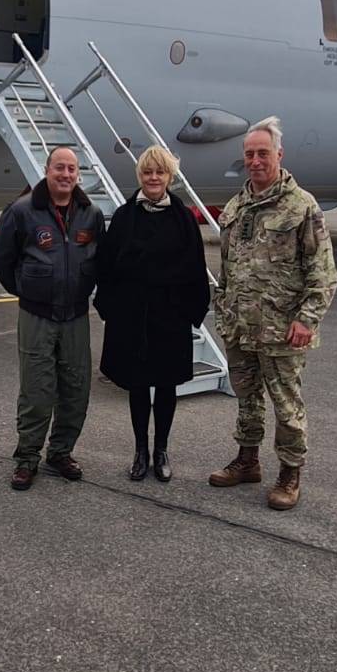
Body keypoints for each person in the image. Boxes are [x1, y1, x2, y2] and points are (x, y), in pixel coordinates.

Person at [210, 117, 337, 511]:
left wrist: (308, 318)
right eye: (249, 154)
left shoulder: (302, 206)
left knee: (286, 402)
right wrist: (224, 311)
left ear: (279, 155)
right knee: (246, 397)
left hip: (283, 328)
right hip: (241, 325)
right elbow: (228, 269)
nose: (255, 161)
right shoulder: (236, 207)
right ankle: (247, 461)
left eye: (263, 153)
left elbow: (323, 271)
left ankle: (290, 473)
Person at [0, 146, 107, 490]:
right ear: (47, 170)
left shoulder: (91, 213)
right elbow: (2, 261)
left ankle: (61, 452)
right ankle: (27, 457)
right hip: (37, 316)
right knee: (37, 389)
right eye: (59, 167)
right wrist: (29, 290)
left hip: (75, 315)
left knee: (76, 388)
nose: (66, 174)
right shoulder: (22, 211)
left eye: (71, 169)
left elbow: (98, 259)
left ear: (78, 174)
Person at [94, 145, 211, 482]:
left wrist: (192, 311)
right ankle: (140, 450)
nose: (154, 178)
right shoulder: (124, 216)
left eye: (160, 172)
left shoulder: (183, 217)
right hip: (132, 317)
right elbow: (106, 265)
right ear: (140, 176)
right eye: (148, 172)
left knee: (166, 385)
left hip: (169, 317)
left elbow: (195, 266)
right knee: (137, 385)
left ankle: (161, 450)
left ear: (169, 176)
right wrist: (110, 308)